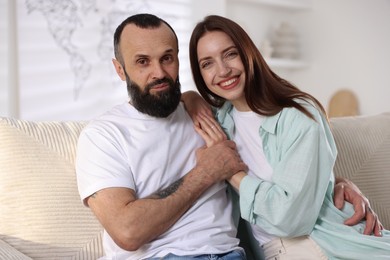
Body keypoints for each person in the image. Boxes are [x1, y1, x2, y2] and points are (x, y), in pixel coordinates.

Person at [76, 13, 383, 260]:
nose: (158, 72)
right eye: (142, 62)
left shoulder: (231, 116)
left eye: (167, 58)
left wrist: (334, 181)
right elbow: (127, 231)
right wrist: (208, 169)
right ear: (120, 70)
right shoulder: (107, 135)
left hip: (269, 249)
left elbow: (286, 182)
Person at [188, 14, 390, 259]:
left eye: (230, 54)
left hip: (322, 243)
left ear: (248, 52)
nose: (222, 70)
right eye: (207, 64)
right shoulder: (219, 122)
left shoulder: (299, 114)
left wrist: (230, 171)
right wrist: (189, 97)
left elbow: (290, 219)